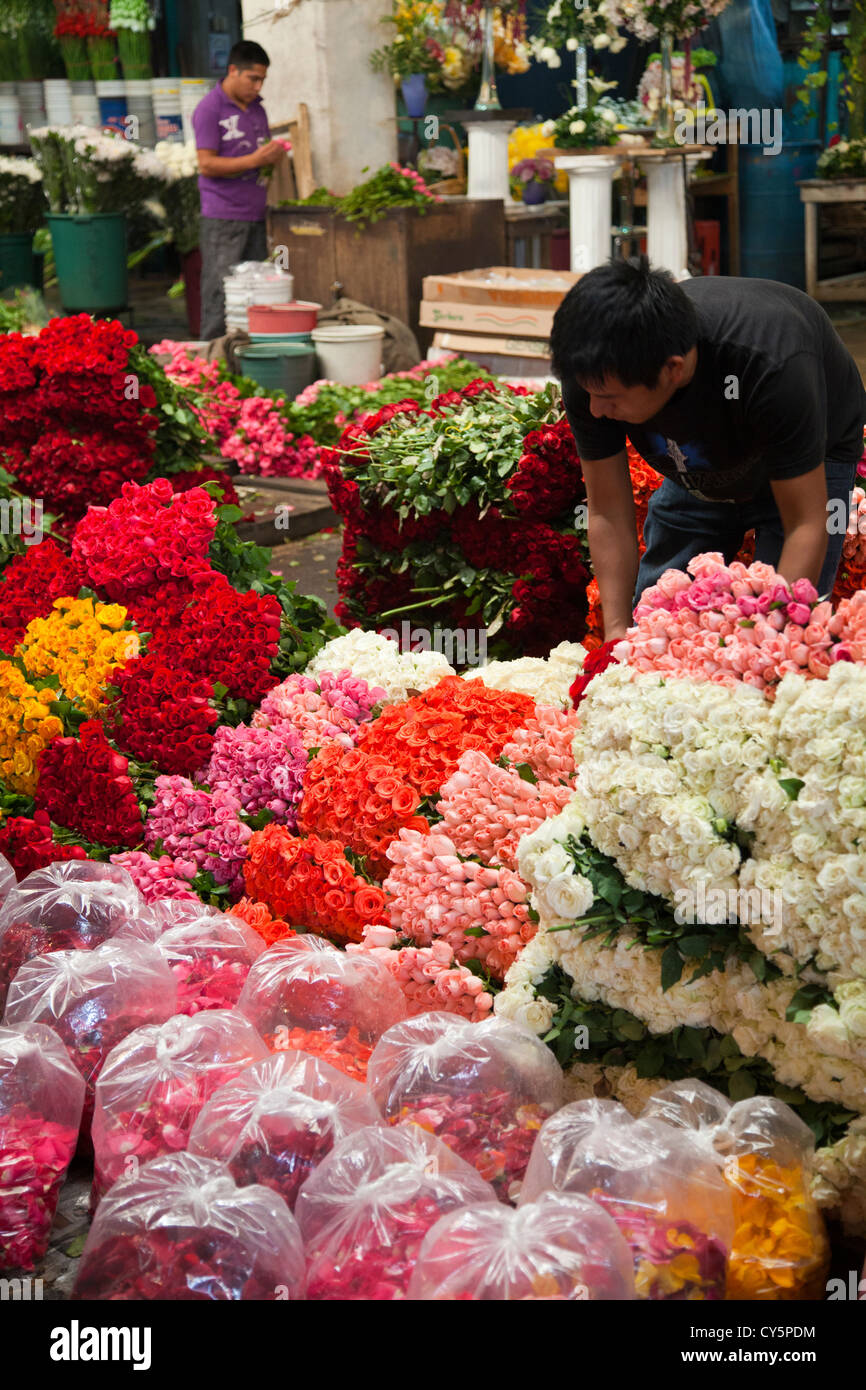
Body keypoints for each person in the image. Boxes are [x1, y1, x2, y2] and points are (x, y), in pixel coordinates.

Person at [550, 257, 866, 642]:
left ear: (673, 370)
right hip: (703, 464)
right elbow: (608, 510)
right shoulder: (594, 373)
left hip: (812, 459)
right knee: (656, 625)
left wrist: (769, 646)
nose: (596, 410)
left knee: (783, 633)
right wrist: (616, 635)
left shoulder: (771, 363)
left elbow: (806, 522)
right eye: (590, 394)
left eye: (609, 399)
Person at [193, 39, 287, 340]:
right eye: (253, 78)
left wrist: (272, 156)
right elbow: (206, 164)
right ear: (233, 70)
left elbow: (258, 154)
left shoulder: (258, 109)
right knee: (220, 291)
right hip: (223, 216)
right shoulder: (209, 109)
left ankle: (249, 360)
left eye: (262, 80)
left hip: (256, 214)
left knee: (256, 292)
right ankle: (211, 359)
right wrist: (254, 160)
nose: (258, 86)